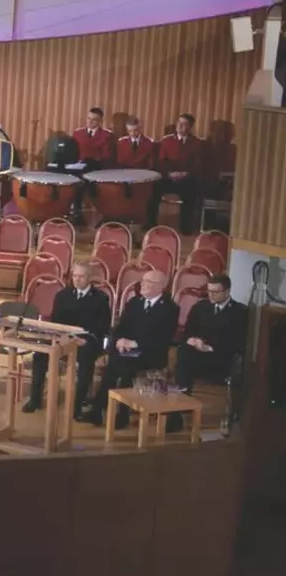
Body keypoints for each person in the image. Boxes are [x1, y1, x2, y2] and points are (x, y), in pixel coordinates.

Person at [88, 271, 179, 428]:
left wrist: (135, 344)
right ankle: (101, 410)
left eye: (148, 282)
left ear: (160, 287)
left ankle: (118, 413)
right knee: (116, 362)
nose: (142, 284)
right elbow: (119, 328)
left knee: (123, 366)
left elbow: (162, 337)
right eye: (143, 281)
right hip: (127, 352)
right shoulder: (134, 303)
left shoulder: (170, 309)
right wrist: (118, 341)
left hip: (151, 353)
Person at [21, 262, 111, 418]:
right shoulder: (63, 295)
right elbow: (56, 321)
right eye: (74, 276)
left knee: (86, 362)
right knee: (40, 356)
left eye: (81, 276)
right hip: (63, 339)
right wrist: (61, 337)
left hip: (86, 343)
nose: (77, 280)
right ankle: (35, 399)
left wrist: (85, 340)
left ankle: (76, 406)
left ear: (89, 278)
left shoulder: (101, 298)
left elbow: (102, 327)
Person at [167, 273, 247, 432]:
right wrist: (192, 340)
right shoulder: (201, 307)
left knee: (184, 363)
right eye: (209, 291)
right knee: (184, 354)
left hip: (220, 359)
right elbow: (187, 332)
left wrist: (211, 348)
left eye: (216, 292)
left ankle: (179, 408)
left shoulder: (240, 312)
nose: (211, 295)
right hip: (197, 354)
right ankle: (177, 412)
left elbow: (238, 341)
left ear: (227, 291)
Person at [148, 113, 205, 234]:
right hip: (168, 177)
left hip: (186, 178)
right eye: (179, 123)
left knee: (191, 191)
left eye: (184, 124)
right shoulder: (167, 141)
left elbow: (198, 164)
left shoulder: (197, 143)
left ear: (190, 127)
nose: (180, 126)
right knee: (153, 189)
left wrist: (185, 173)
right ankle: (150, 224)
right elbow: (161, 161)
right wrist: (169, 173)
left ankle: (186, 228)